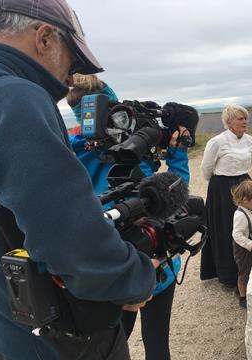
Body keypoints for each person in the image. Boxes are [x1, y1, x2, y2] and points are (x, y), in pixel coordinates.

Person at [0, 1, 158, 359]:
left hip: (7, 326)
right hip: (53, 336)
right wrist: (133, 279)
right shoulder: (16, 97)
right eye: (72, 61)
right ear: (44, 39)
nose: (70, 77)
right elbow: (66, 235)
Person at [66, 74, 190, 360]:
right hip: (155, 263)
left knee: (111, 347)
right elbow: (172, 196)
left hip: (109, 267)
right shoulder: (132, 151)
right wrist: (177, 154)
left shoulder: (68, 150)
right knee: (157, 343)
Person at [200, 105, 252, 288]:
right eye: (240, 118)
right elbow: (206, 170)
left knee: (249, 225)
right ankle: (229, 275)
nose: (244, 121)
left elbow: (249, 163)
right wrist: (220, 186)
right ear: (229, 121)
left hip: (244, 185)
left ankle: (248, 269)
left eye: (245, 118)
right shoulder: (217, 142)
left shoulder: (251, 141)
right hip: (222, 189)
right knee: (225, 229)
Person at [231, 181, 252, 308]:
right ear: (245, 200)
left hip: (249, 245)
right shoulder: (240, 216)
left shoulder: (248, 210)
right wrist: (251, 244)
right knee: (244, 271)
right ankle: (243, 296)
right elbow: (237, 235)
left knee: (249, 269)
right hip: (243, 249)